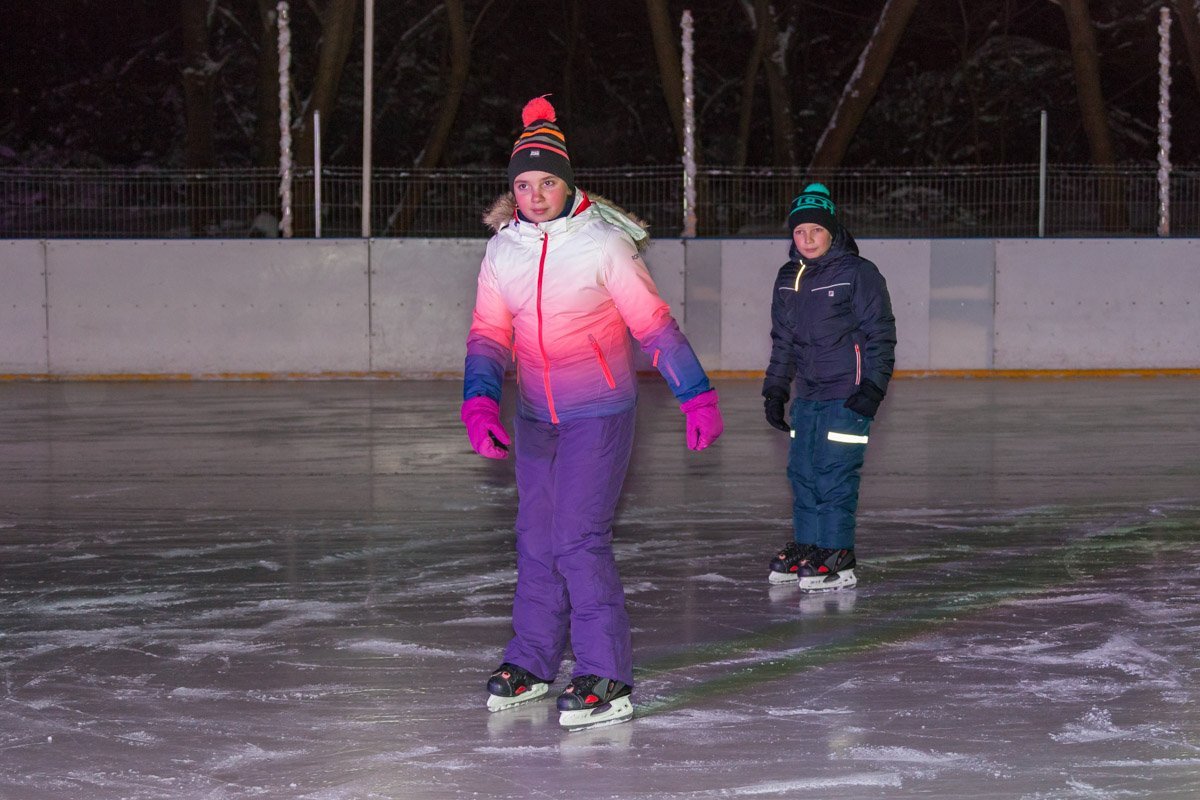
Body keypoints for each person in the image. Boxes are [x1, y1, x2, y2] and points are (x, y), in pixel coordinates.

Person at [461, 96, 723, 731]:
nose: (535, 194)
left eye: (547, 181)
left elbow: (655, 326)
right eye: (523, 184)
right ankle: (532, 662)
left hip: (599, 412)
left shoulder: (605, 245)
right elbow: (488, 335)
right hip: (535, 416)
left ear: (567, 181)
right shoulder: (504, 251)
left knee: (578, 539)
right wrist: (478, 400)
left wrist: (696, 393)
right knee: (534, 539)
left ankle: (606, 674)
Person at [762, 183, 896, 591]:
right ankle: (810, 546)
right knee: (802, 472)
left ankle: (838, 554)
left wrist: (873, 387)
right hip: (808, 395)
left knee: (834, 474)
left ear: (832, 231)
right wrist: (776, 390)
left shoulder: (859, 273)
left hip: (847, 393)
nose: (807, 239)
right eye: (800, 232)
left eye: (816, 231)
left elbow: (881, 334)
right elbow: (783, 340)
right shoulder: (788, 277)